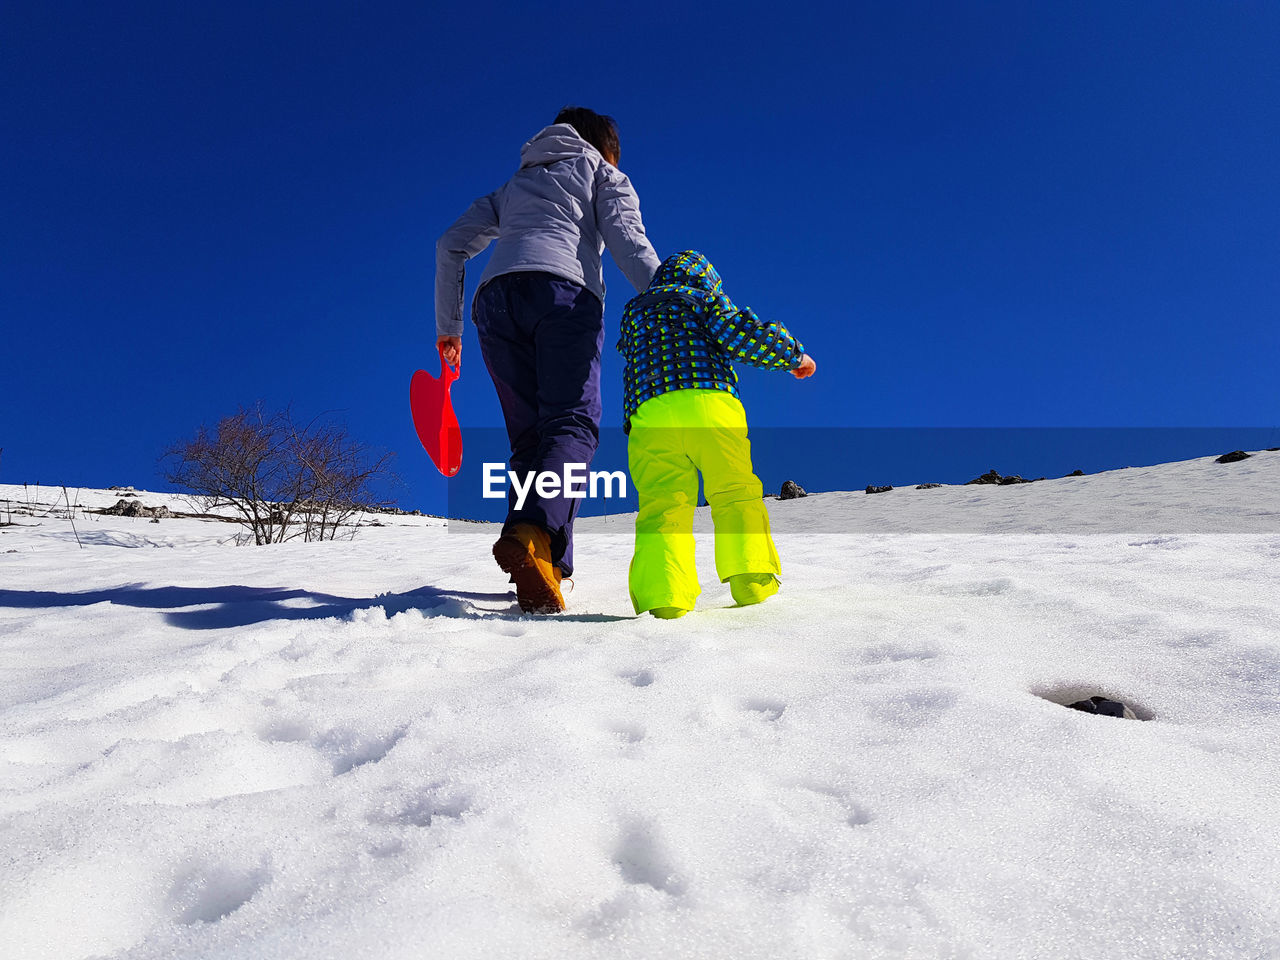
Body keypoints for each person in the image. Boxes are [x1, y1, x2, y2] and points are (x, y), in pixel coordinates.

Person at [435, 107, 661, 614]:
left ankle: (547, 564)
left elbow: (450, 244)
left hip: (494, 303)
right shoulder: (602, 173)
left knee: (532, 442)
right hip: (565, 294)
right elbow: (628, 241)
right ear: (605, 148)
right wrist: (671, 299)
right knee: (573, 424)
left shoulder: (516, 185)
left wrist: (448, 329)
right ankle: (533, 532)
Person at [616, 250, 816, 619]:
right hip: (708, 403)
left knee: (663, 504)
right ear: (707, 278)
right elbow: (739, 332)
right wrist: (793, 356)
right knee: (734, 490)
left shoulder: (635, 311)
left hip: (648, 414)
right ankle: (751, 578)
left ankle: (664, 596)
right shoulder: (703, 298)